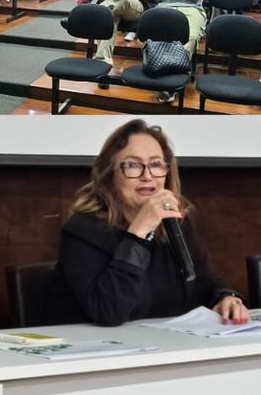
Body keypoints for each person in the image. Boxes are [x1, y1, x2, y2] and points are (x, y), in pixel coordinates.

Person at [49, 119, 249, 328]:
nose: (147, 176)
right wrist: (140, 229)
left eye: (155, 164)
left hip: (168, 342)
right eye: (132, 165)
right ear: (108, 175)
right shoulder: (82, 229)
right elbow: (109, 311)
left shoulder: (178, 223)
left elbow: (206, 283)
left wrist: (227, 298)